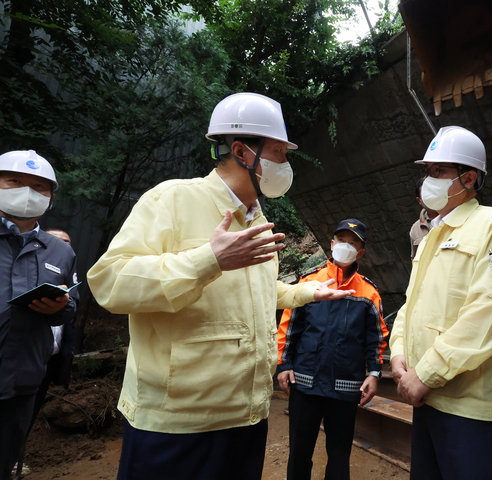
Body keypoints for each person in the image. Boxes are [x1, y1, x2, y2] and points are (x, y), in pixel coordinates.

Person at [87, 92, 353, 480]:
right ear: (243, 152)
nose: (285, 164)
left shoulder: (256, 218)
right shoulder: (173, 198)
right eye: (279, 153)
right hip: (179, 422)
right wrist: (207, 259)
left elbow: (254, 291)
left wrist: (310, 293)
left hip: (247, 416)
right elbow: (109, 282)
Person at [390, 126, 492, 480]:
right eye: (427, 171)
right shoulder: (433, 233)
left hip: (471, 411)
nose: (428, 180)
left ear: (468, 179)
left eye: (438, 172)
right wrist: (399, 352)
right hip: (427, 399)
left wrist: (427, 373)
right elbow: (412, 304)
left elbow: (490, 312)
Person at [277, 218, 388, 480]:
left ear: (360, 252)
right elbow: (289, 327)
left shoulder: (369, 293)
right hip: (305, 383)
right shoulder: (309, 283)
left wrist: (374, 373)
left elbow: (377, 338)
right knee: (299, 453)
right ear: (331, 244)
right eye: (341, 241)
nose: (345, 247)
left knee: (339, 455)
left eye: (353, 244)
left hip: (345, 387)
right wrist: (283, 365)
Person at [0, 151, 79, 480]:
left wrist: (61, 308)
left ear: (51, 197)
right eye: (15, 181)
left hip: (22, 381)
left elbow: (71, 307)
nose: (27, 192)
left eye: (39, 186)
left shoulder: (61, 251)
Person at [409, 178, 438, 259]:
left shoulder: (456, 217)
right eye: (426, 195)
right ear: (419, 201)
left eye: (434, 192)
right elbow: (415, 260)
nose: (431, 197)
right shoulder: (415, 229)